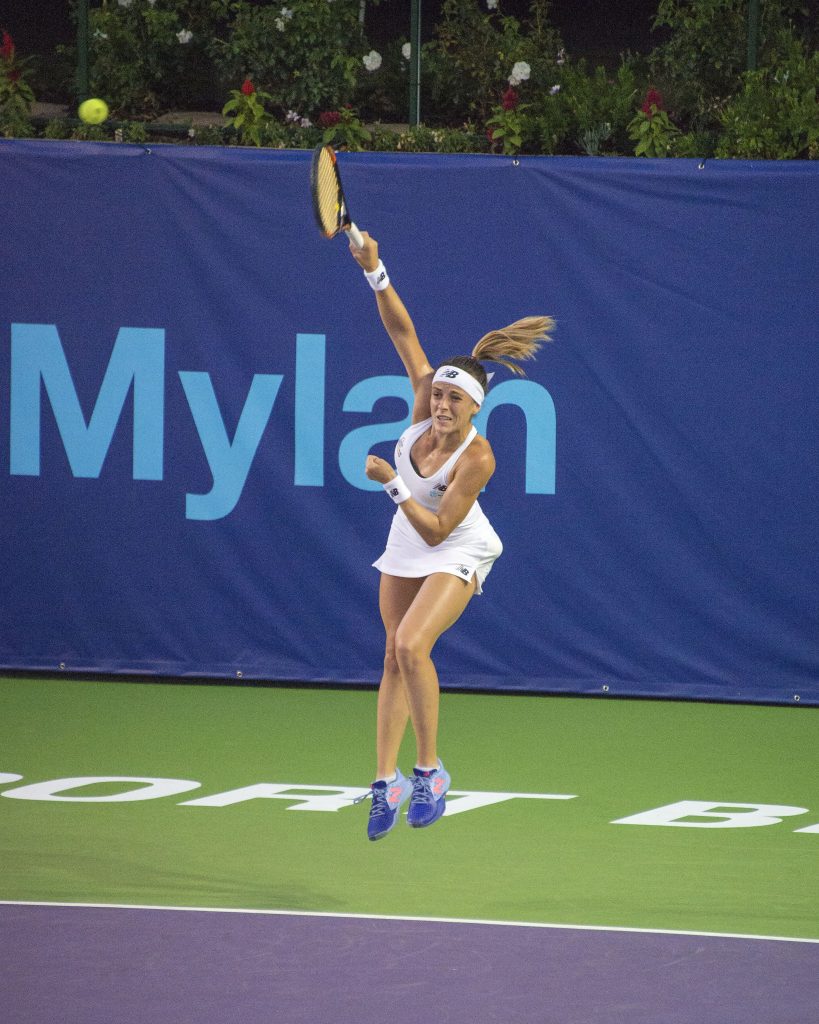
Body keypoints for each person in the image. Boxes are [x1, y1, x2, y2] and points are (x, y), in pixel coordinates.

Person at [350, 232, 553, 841]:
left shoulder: (478, 457)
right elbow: (403, 332)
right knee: (391, 654)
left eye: (453, 399)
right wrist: (376, 268)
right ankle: (384, 780)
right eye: (437, 393)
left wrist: (392, 483)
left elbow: (440, 531)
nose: (440, 403)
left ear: (474, 408)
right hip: (409, 532)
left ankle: (430, 771)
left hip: (454, 542)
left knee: (413, 645)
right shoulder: (421, 404)